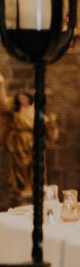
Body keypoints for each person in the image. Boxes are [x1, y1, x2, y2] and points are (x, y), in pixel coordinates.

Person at [0, 72, 59, 204]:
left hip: (33, 141)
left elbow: (45, 122)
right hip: (18, 142)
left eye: (24, 97)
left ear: (29, 98)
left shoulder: (35, 110)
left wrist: (52, 124)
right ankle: (22, 187)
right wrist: (1, 83)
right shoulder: (14, 109)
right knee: (19, 168)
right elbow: (2, 102)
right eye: (20, 97)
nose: (22, 99)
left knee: (35, 166)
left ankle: (34, 187)